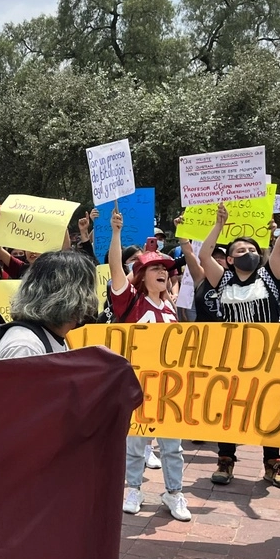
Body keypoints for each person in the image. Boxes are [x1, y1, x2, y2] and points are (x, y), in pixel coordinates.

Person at [199, 183, 280, 490]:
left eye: (251, 250)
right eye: (239, 251)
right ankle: (226, 460)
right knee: (229, 407)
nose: (247, 253)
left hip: (270, 356)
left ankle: (273, 465)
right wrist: (218, 226)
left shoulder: (269, 274)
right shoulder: (221, 279)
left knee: (269, 408)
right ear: (229, 259)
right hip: (231, 356)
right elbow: (205, 254)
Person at [105, 210, 189, 521]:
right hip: (137, 385)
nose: (162, 272)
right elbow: (115, 266)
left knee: (172, 446)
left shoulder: (170, 305)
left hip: (170, 385)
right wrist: (116, 234)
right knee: (136, 441)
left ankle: (174, 493)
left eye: (165, 268)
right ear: (141, 275)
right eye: (154, 268)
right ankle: (134, 488)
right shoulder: (129, 301)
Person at [0, 251, 97, 359]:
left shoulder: (51, 336)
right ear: (70, 297)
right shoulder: (26, 348)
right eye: (88, 291)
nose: (91, 300)